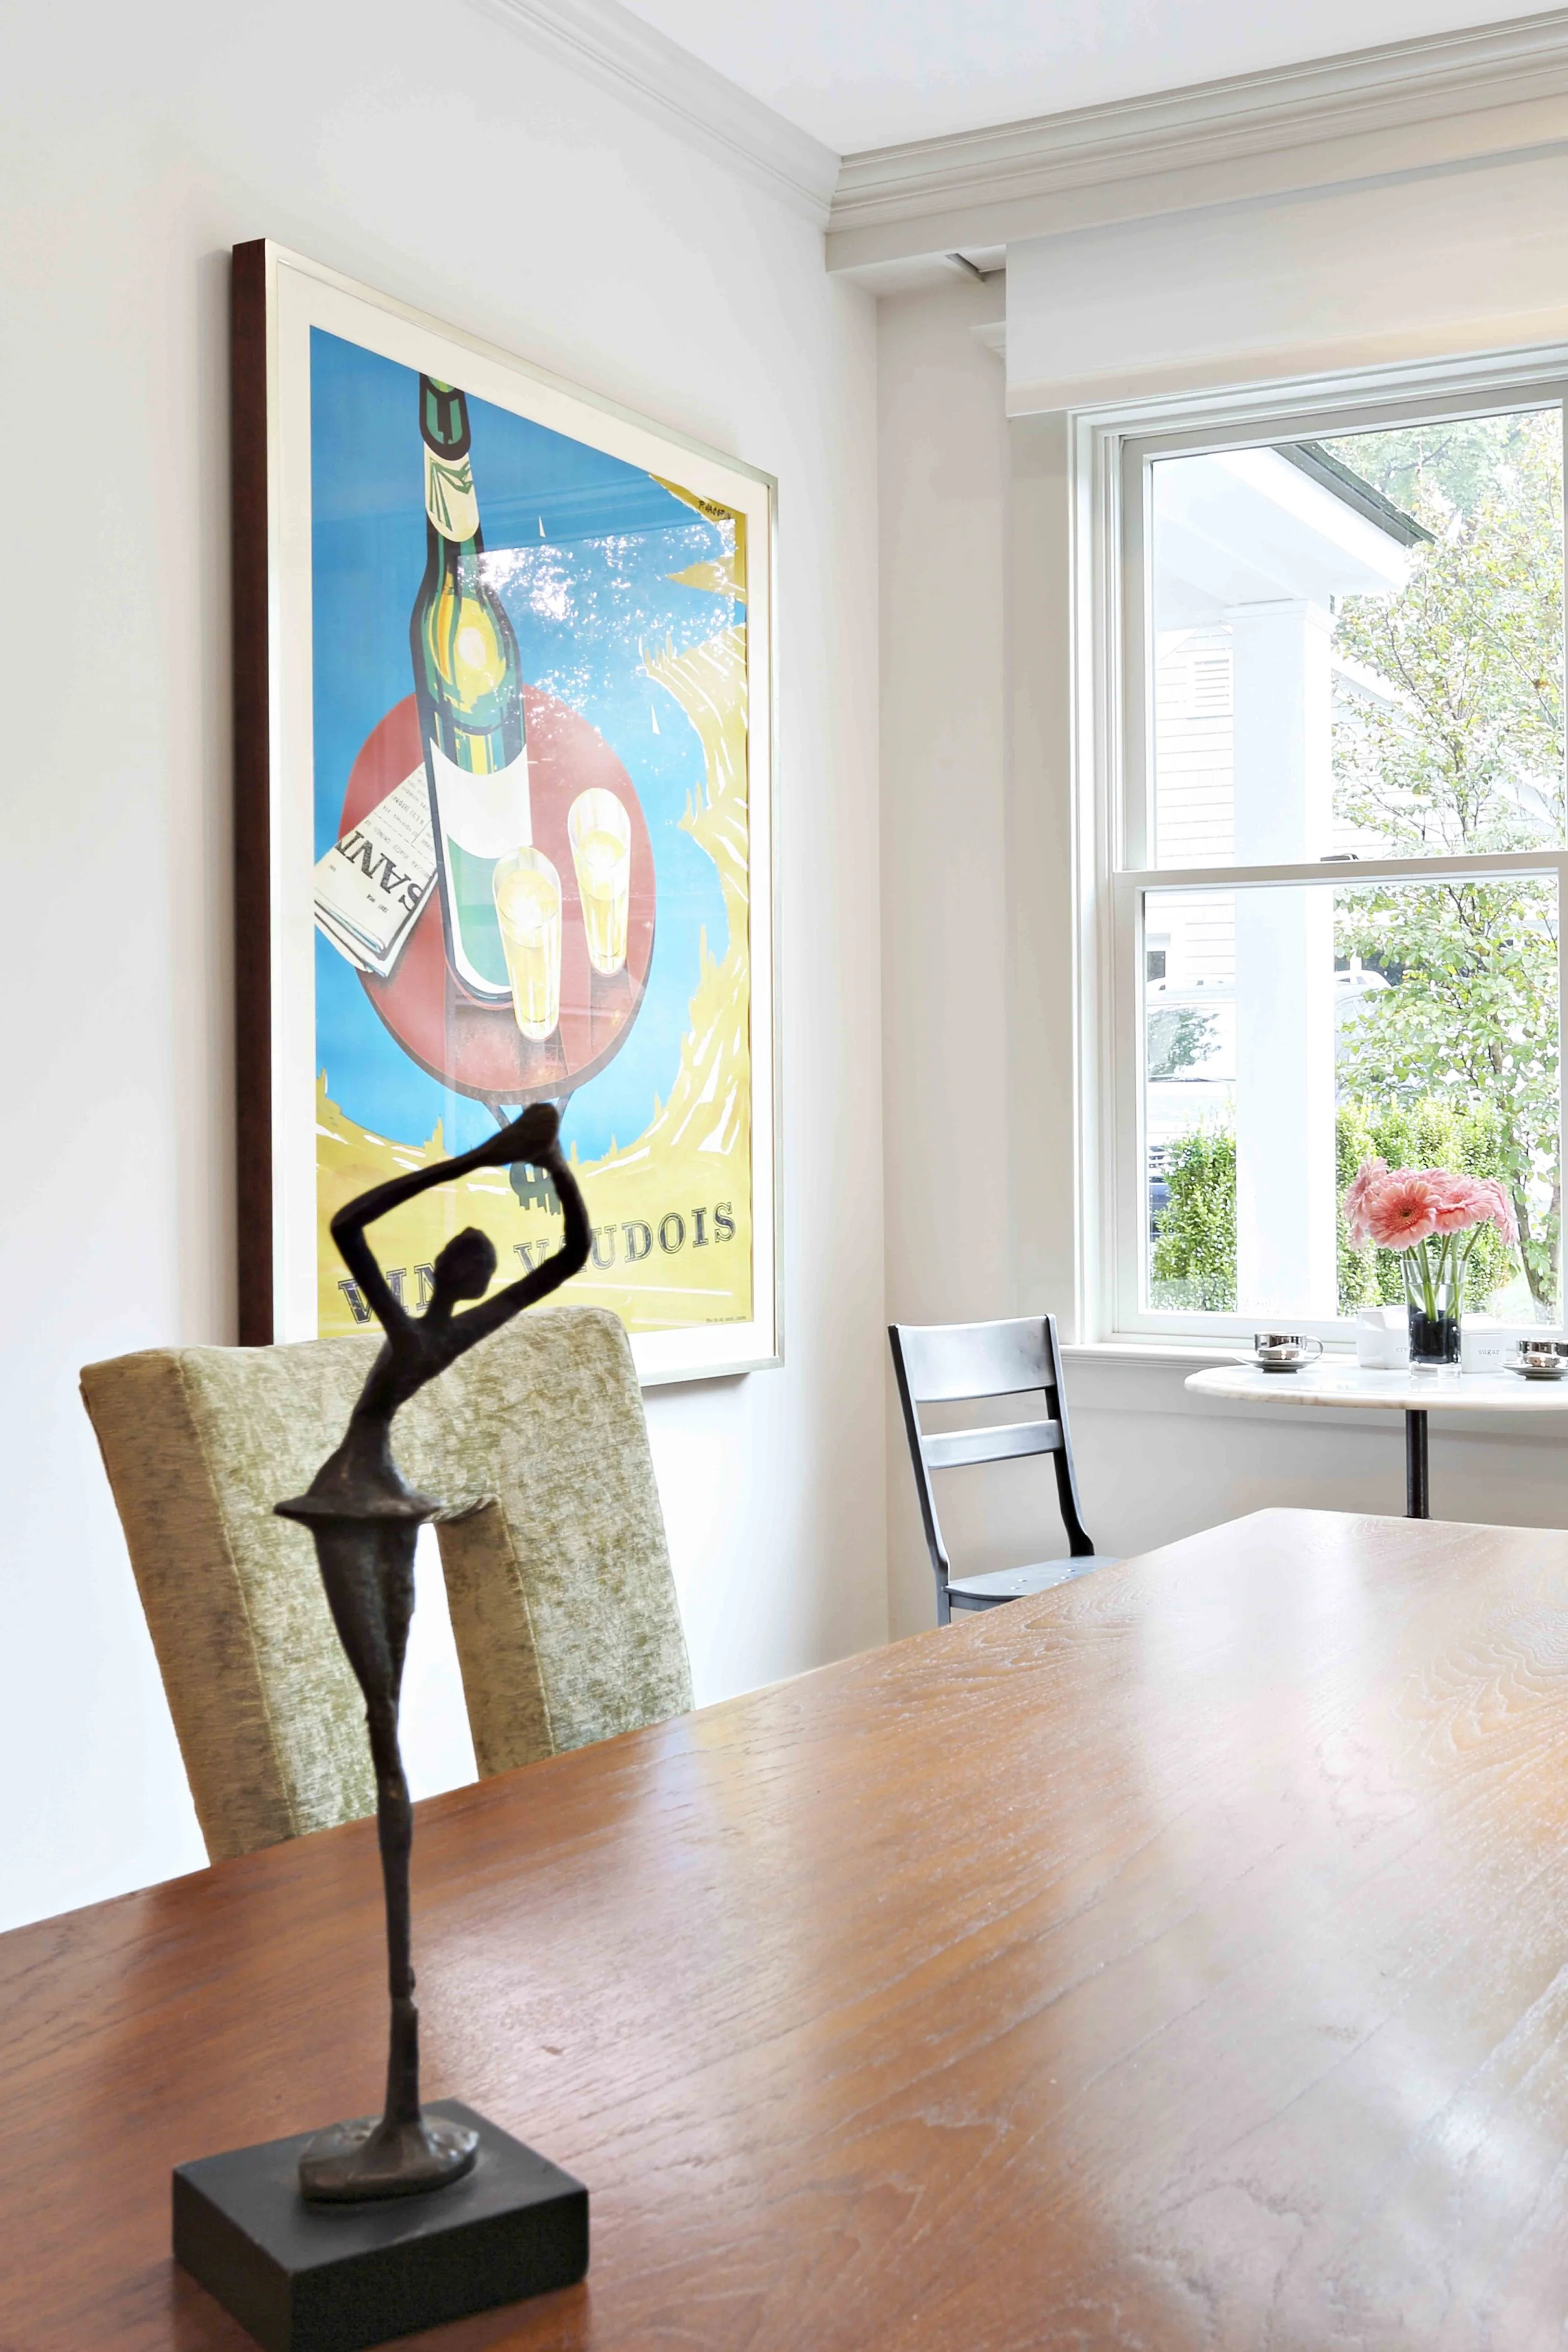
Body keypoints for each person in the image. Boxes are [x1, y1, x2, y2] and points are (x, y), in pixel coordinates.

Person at [277, 1101, 590, 2200]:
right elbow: (356, 1217)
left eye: (461, 1263)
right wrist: (490, 1156)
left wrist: (540, 1163)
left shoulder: (444, 1333)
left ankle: (408, 2095)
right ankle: (399, 2091)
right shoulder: (420, 1328)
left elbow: (576, 1256)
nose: (454, 1277)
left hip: (383, 1505)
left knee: (390, 1745)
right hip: (351, 1503)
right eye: (455, 1263)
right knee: (384, 1737)